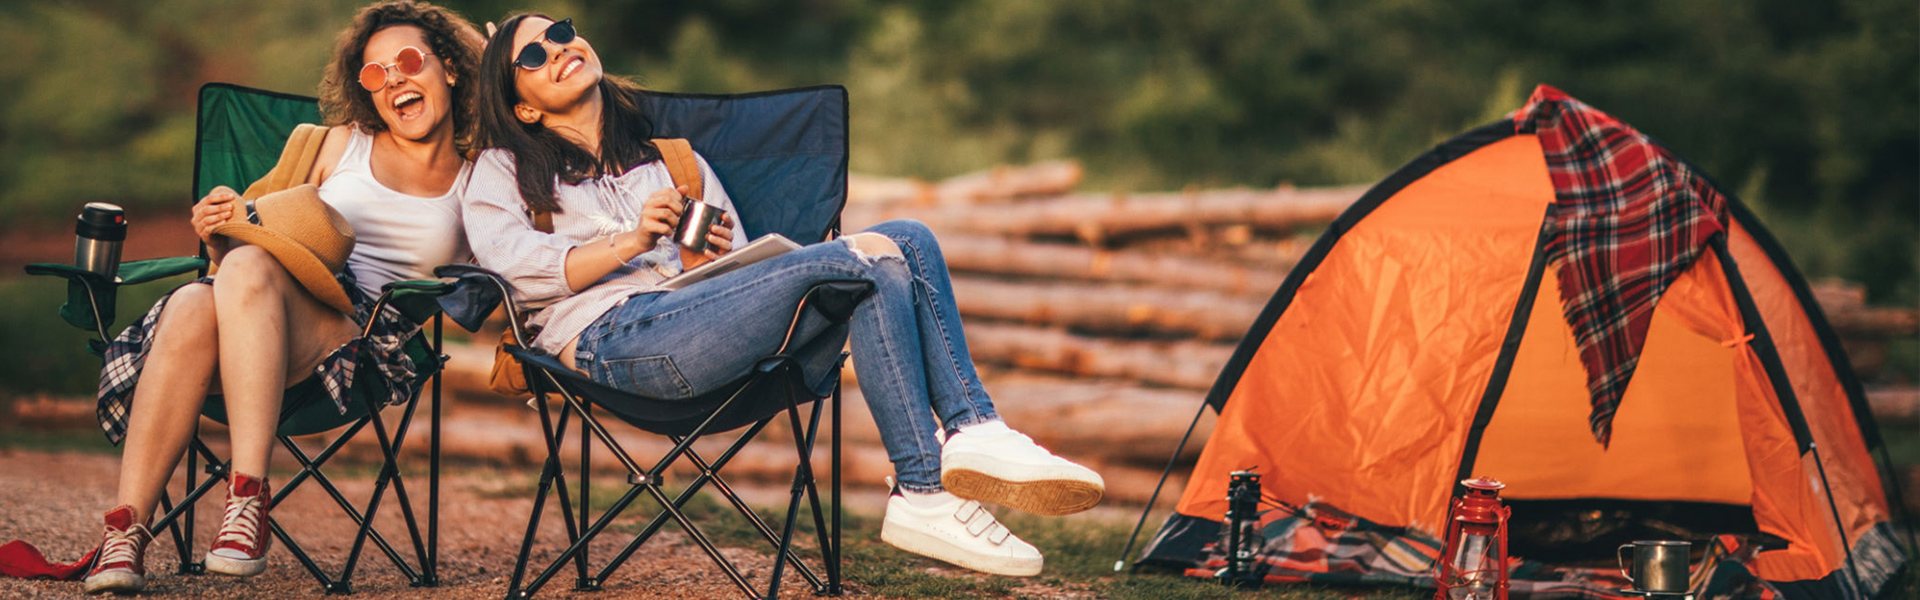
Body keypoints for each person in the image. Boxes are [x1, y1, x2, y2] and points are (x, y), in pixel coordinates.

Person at [464, 14, 1105, 578]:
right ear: (523, 106)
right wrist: (631, 242)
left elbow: (739, 263)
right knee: (870, 255)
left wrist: (703, 249)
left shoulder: (674, 161)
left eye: (561, 33)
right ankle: (947, 462)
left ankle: (947, 465)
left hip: (706, 331)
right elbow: (516, 268)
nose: (556, 49)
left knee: (902, 241)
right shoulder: (502, 168)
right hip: (615, 345)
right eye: (532, 55)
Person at [79, 1, 482, 593]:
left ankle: (245, 493)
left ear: (447, 67)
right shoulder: (332, 144)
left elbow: (516, 261)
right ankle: (129, 530)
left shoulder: (481, 176)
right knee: (197, 298)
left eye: (408, 60)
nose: (393, 78)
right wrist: (218, 217)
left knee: (229, 280)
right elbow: (248, 232)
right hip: (254, 320)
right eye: (375, 73)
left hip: (355, 340)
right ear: (367, 92)